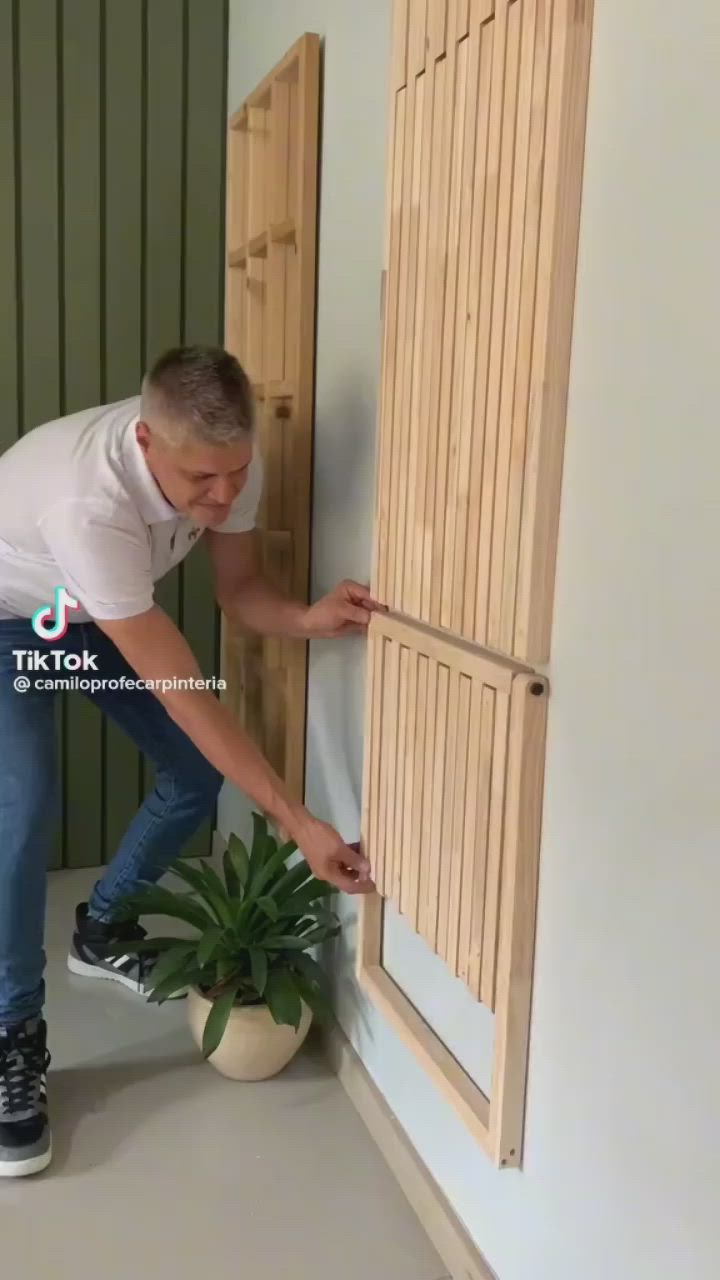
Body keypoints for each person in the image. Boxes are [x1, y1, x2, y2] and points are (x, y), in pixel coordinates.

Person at [0, 345, 379, 1178]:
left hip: (94, 605)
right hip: (10, 615)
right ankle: (12, 1035)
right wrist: (299, 822)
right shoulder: (87, 504)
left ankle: (102, 930)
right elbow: (183, 691)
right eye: (202, 480)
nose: (224, 495)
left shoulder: (229, 462)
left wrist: (307, 617)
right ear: (144, 443)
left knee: (193, 778)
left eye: (237, 473)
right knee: (20, 813)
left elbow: (238, 590)